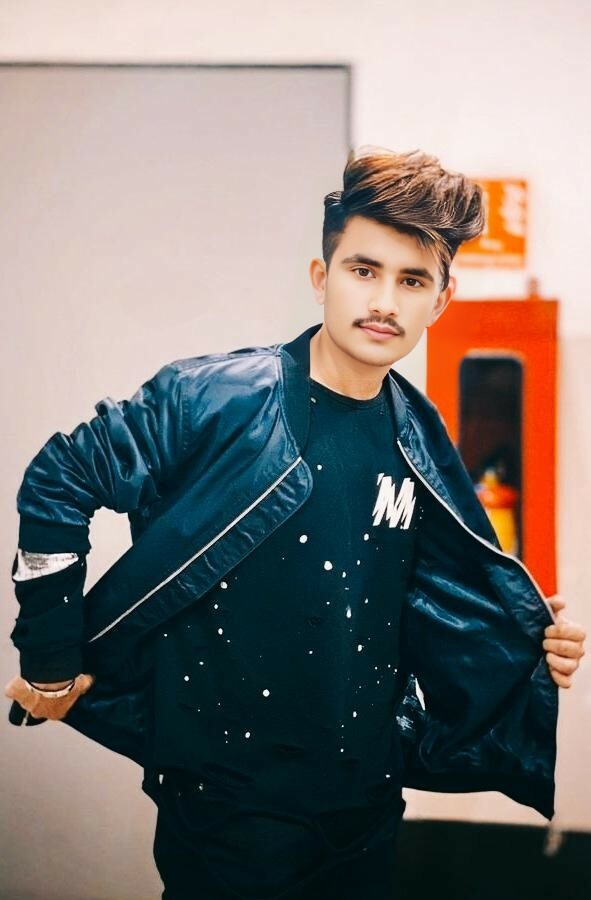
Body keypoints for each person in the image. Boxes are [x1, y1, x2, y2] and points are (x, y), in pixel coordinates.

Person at [5, 148, 586, 900]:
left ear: (440, 301)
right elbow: (59, 478)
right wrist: (49, 655)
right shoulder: (213, 399)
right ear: (321, 277)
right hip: (227, 808)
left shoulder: (421, 439)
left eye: (412, 281)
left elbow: (425, 603)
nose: (384, 301)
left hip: (366, 805)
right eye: (363, 270)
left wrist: (524, 643)